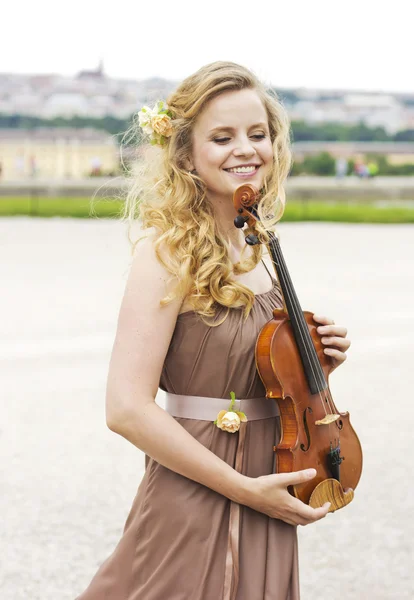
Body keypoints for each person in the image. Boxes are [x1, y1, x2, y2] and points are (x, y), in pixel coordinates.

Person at [76, 61, 351, 600]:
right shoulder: (166, 253)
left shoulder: (260, 244)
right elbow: (125, 408)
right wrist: (243, 491)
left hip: (271, 478)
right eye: (221, 137)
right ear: (185, 155)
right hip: (200, 484)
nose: (245, 149)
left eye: (258, 134)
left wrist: (312, 364)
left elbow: (245, 366)